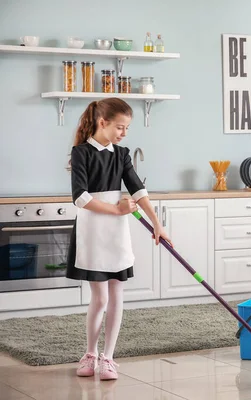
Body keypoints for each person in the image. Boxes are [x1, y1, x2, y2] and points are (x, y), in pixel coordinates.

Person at [66, 98, 172, 380]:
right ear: (103, 123)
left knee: (117, 295)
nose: (124, 133)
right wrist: (117, 209)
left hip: (116, 233)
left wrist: (157, 224)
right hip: (92, 230)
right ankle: (90, 353)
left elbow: (138, 189)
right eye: (120, 127)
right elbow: (80, 197)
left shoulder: (122, 154)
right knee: (99, 298)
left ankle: (108, 358)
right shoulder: (81, 153)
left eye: (127, 128)